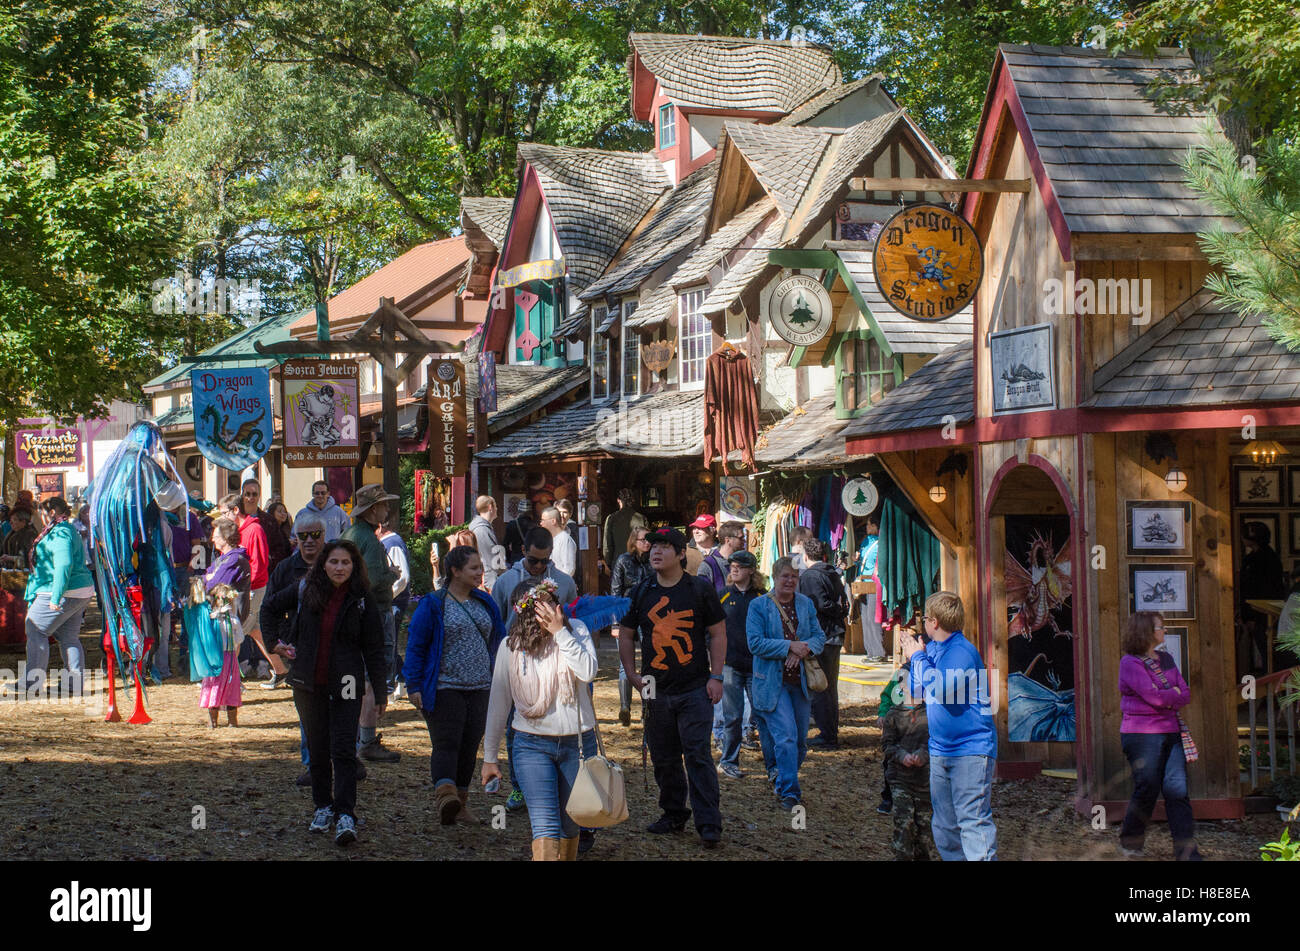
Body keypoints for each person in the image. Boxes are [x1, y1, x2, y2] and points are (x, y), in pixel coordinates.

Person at [617, 528, 726, 848]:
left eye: (665, 547)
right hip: (654, 687)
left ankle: (709, 822)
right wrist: (631, 673)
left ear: (681, 554)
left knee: (698, 755)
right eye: (653, 546)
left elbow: (718, 633)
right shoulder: (641, 591)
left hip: (694, 686)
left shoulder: (699, 589)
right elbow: (625, 634)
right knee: (663, 757)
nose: (656, 552)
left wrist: (716, 676)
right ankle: (674, 813)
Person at [275, 539, 387, 847]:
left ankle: (345, 812)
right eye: (334, 562)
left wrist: (380, 691)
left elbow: (375, 646)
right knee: (318, 748)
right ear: (324, 563)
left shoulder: (361, 599)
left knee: (343, 749)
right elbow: (270, 607)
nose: (339, 568)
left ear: (354, 566)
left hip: (348, 681)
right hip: (309, 682)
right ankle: (322, 807)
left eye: (346, 563)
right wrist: (276, 643)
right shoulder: (305, 589)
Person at [481, 576, 598, 860]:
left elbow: (587, 672)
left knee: (572, 824)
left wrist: (561, 633)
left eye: (552, 602)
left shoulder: (577, 630)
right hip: (531, 745)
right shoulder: (511, 646)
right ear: (524, 612)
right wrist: (489, 758)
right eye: (541, 605)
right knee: (545, 825)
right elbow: (498, 703)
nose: (549, 610)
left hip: (578, 744)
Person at [404, 545, 506, 826]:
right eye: (473, 568)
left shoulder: (485, 602)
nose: (479, 572)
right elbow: (416, 646)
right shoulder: (435, 604)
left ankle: (460, 804)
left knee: (469, 745)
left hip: (481, 687)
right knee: (447, 743)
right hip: (444, 686)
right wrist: (413, 684)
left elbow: (500, 639)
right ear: (455, 571)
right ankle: (445, 796)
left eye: (480, 567)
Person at [899, 591, 998, 861]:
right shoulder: (932, 650)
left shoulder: (962, 652)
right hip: (941, 749)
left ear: (934, 622)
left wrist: (918, 659)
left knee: (973, 822)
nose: (923, 624)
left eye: (925, 618)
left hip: (972, 750)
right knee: (944, 826)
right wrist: (911, 660)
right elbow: (916, 691)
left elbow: (942, 689)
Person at [491, 526, 578, 810]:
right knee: (516, 725)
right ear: (523, 554)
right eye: (533, 561)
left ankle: (549, 786)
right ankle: (519, 787)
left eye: (545, 561)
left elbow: (572, 620)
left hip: (553, 663)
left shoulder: (563, 582)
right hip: (519, 662)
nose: (539, 567)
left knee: (552, 726)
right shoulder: (506, 582)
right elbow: (497, 624)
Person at [1117, 611, 1202, 861]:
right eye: (1159, 628)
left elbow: (1185, 694)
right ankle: (1130, 842)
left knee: (1178, 790)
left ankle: (1186, 852)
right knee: (1147, 788)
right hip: (1141, 735)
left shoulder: (1166, 659)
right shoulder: (1130, 663)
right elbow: (1153, 696)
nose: (1163, 631)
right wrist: (1169, 694)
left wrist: (1166, 695)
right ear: (1145, 631)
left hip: (1171, 732)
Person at [745, 556, 825, 810]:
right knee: (786, 736)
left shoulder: (805, 604)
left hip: (800, 682)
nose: (790, 581)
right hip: (771, 681)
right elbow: (755, 643)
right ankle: (790, 791)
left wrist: (801, 650)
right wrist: (788, 646)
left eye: (794, 576)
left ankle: (780, 775)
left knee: (799, 740)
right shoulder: (759, 606)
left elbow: (818, 637)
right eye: (785, 576)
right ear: (775, 578)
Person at [260, 512, 328, 785]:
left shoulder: (336, 564)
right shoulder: (286, 569)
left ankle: (340, 759)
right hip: (298, 649)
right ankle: (313, 765)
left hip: (334, 648)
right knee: (308, 709)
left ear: (325, 536)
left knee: (338, 707)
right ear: (295, 538)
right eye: (303, 536)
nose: (309, 540)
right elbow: (268, 607)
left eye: (315, 535)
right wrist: (274, 642)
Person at [341, 484, 402, 763]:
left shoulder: (353, 534)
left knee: (357, 677)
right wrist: (391, 575)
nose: (387, 510)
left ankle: (353, 736)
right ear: (372, 509)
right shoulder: (366, 537)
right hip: (375, 611)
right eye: (383, 505)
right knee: (369, 679)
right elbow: (375, 580)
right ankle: (366, 740)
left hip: (357, 612)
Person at [15, 497, 94, 697]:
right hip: (75, 590)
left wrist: (55, 597)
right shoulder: (61, 530)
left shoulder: (60, 533)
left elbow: (64, 564)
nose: (37, 518)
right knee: (68, 637)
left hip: (60, 591)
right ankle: (73, 684)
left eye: (39, 513)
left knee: (36, 631)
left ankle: (32, 683)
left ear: (51, 513)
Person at [718, 550, 769, 780]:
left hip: (757, 665)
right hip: (730, 665)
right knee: (733, 716)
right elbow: (711, 629)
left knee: (762, 715)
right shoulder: (722, 596)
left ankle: (773, 765)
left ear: (751, 570)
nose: (734, 569)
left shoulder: (763, 597)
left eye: (740, 565)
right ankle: (729, 761)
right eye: (732, 565)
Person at [219, 492, 280, 685]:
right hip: (247, 589)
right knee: (256, 631)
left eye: (224, 513)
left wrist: (245, 588)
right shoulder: (241, 530)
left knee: (235, 635)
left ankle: (230, 681)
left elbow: (259, 564)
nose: (222, 517)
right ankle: (281, 669)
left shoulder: (254, 530)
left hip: (253, 589)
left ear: (236, 510)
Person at [199, 518, 251, 727]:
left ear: (226, 538)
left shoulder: (234, 560)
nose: (212, 538)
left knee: (224, 667)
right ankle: (216, 715)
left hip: (227, 619)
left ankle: (228, 715)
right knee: (217, 665)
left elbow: (214, 583)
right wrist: (208, 578)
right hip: (218, 619)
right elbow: (207, 579)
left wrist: (210, 579)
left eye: (216, 535)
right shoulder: (225, 558)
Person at [799, 537, 849, 750]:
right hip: (832, 633)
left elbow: (819, 604)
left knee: (821, 685)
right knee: (829, 687)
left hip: (823, 635)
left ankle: (827, 735)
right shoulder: (832, 573)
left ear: (806, 555)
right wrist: (840, 613)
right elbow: (842, 601)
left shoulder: (811, 576)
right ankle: (830, 731)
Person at [882, 673, 933, 860]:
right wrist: (902, 756)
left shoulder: (931, 715)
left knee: (924, 829)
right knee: (904, 824)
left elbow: (935, 742)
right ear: (902, 690)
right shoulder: (893, 716)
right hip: (899, 778)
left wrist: (922, 756)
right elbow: (887, 745)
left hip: (924, 781)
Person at [611, 526, 652, 726]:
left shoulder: (653, 561)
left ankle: (648, 708)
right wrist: (615, 623)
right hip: (626, 615)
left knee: (651, 662)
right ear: (634, 541)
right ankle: (625, 707)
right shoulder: (623, 561)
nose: (647, 543)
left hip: (648, 617)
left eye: (649, 539)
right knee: (624, 664)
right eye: (644, 539)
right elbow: (615, 592)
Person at [1240, 521, 1286, 673]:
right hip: (1257, 612)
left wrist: (1252, 616)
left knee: (1269, 654)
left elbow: (1263, 589)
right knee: (1265, 652)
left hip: (1263, 614)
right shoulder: (1256, 558)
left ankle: (1273, 690)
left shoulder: (1265, 559)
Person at [378, 514, 410, 696]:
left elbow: (402, 577)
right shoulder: (388, 543)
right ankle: (401, 680)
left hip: (394, 602)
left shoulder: (393, 543)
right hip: (392, 601)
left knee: (389, 643)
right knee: (390, 642)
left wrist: (386, 596)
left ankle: (395, 683)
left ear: (380, 525)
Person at [857, 516, 884, 661]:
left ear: (875, 526)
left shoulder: (882, 542)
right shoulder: (866, 541)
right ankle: (870, 652)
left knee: (874, 618)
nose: (866, 528)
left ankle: (879, 652)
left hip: (874, 583)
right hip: (863, 582)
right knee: (865, 619)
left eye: (868, 525)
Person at [602, 487, 647, 575]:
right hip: (637, 563)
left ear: (618, 500)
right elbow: (647, 543)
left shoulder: (612, 518)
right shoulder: (642, 518)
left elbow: (607, 545)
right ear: (632, 501)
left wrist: (608, 563)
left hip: (618, 562)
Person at [468, 495, 504, 589]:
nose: (497, 508)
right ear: (490, 507)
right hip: (489, 581)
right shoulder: (482, 530)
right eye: (495, 506)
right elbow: (491, 561)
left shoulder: (483, 527)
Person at [540, 506, 577, 580]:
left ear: (553, 521)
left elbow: (569, 569)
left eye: (543, 520)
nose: (541, 523)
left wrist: (554, 585)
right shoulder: (551, 539)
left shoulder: (565, 539)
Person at [502, 499, 536, 567]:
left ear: (519, 511)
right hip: (531, 560)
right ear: (530, 512)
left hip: (516, 559)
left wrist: (509, 558)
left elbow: (505, 545)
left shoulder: (512, 525)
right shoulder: (535, 526)